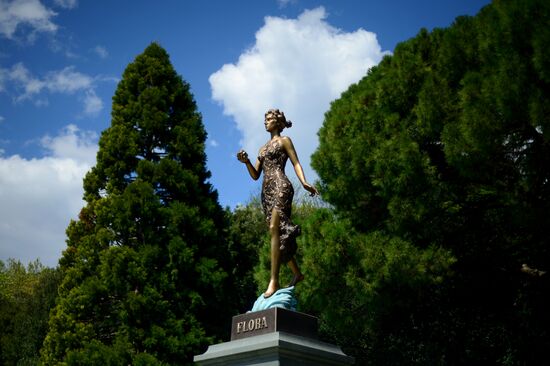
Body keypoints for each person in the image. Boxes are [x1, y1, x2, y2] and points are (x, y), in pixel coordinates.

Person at [237, 108, 318, 298]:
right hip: (266, 193)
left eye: (269, 119)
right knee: (278, 235)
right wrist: (247, 161)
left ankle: (274, 281)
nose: (265, 122)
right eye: (265, 119)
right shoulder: (262, 149)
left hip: (281, 186)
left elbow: (296, 162)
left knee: (275, 227)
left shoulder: (285, 141)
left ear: (278, 122)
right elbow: (256, 175)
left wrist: (304, 182)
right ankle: (297, 273)